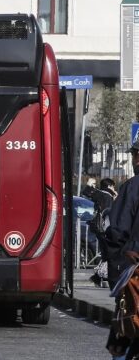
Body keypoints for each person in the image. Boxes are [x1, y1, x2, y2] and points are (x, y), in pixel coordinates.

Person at [105, 140, 139, 359]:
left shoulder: (133, 187)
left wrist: (116, 273)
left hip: (136, 275)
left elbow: (117, 231)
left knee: (124, 334)